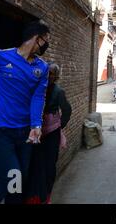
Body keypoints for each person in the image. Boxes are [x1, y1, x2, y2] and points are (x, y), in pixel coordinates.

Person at [0, 20, 50, 204]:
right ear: (35, 38)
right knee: (12, 177)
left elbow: (38, 98)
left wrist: (36, 124)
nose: (46, 45)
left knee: (18, 183)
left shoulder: (42, 68)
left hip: (25, 133)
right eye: (45, 40)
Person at [25, 63, 71, 204]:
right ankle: (35, 196)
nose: (49, 76)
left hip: (51, 133)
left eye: (52, 74)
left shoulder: (58, 92)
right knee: (35, 164)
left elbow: (67, 110)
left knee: (49, 165)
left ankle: (46, 196)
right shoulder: (37, 88)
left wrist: (58, 126)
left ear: (56, 77)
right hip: (35, 131)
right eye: (48, 73)